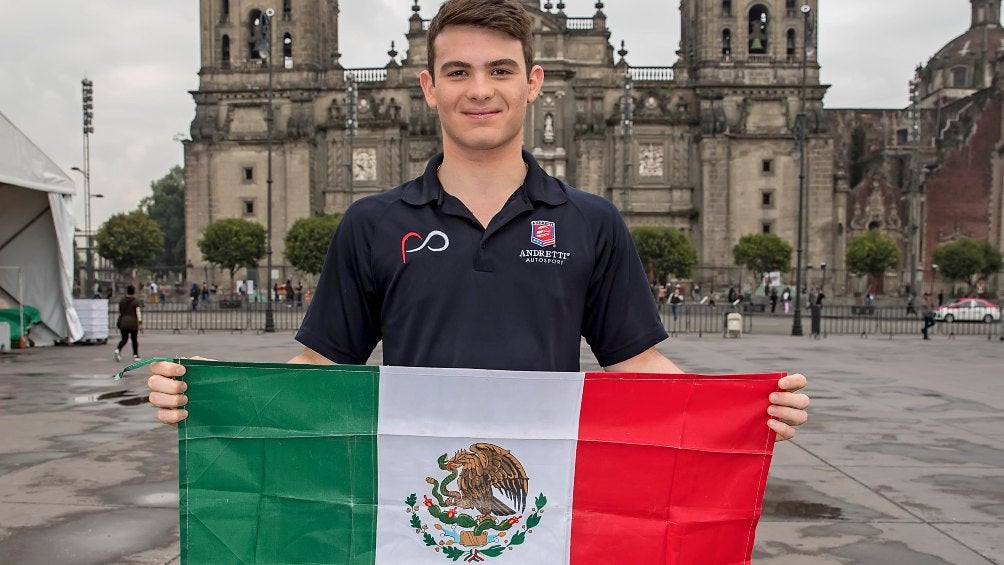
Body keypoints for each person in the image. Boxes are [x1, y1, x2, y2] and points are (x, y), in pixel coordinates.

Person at [147, 0, 808, 445]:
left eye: (500, 70)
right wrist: (215, 391)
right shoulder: (372, 223)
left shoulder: (591, 223)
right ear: (429, 86)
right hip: (414, 500)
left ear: (533, 83)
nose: (481, 90)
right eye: (458, 72)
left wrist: (744, 407)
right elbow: (321, 363)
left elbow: (637, 361)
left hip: (543, 494)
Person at [114, 285, 142, 362]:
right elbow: (138, 313)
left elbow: (120, 311)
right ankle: (135, 355)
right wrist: (140, 323)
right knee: (134, 340)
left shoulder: (122, 301)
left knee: (124, 339)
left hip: (123, 322)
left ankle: (118, 350)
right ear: (134, 291)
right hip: (133, 323)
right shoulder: (135, 301)